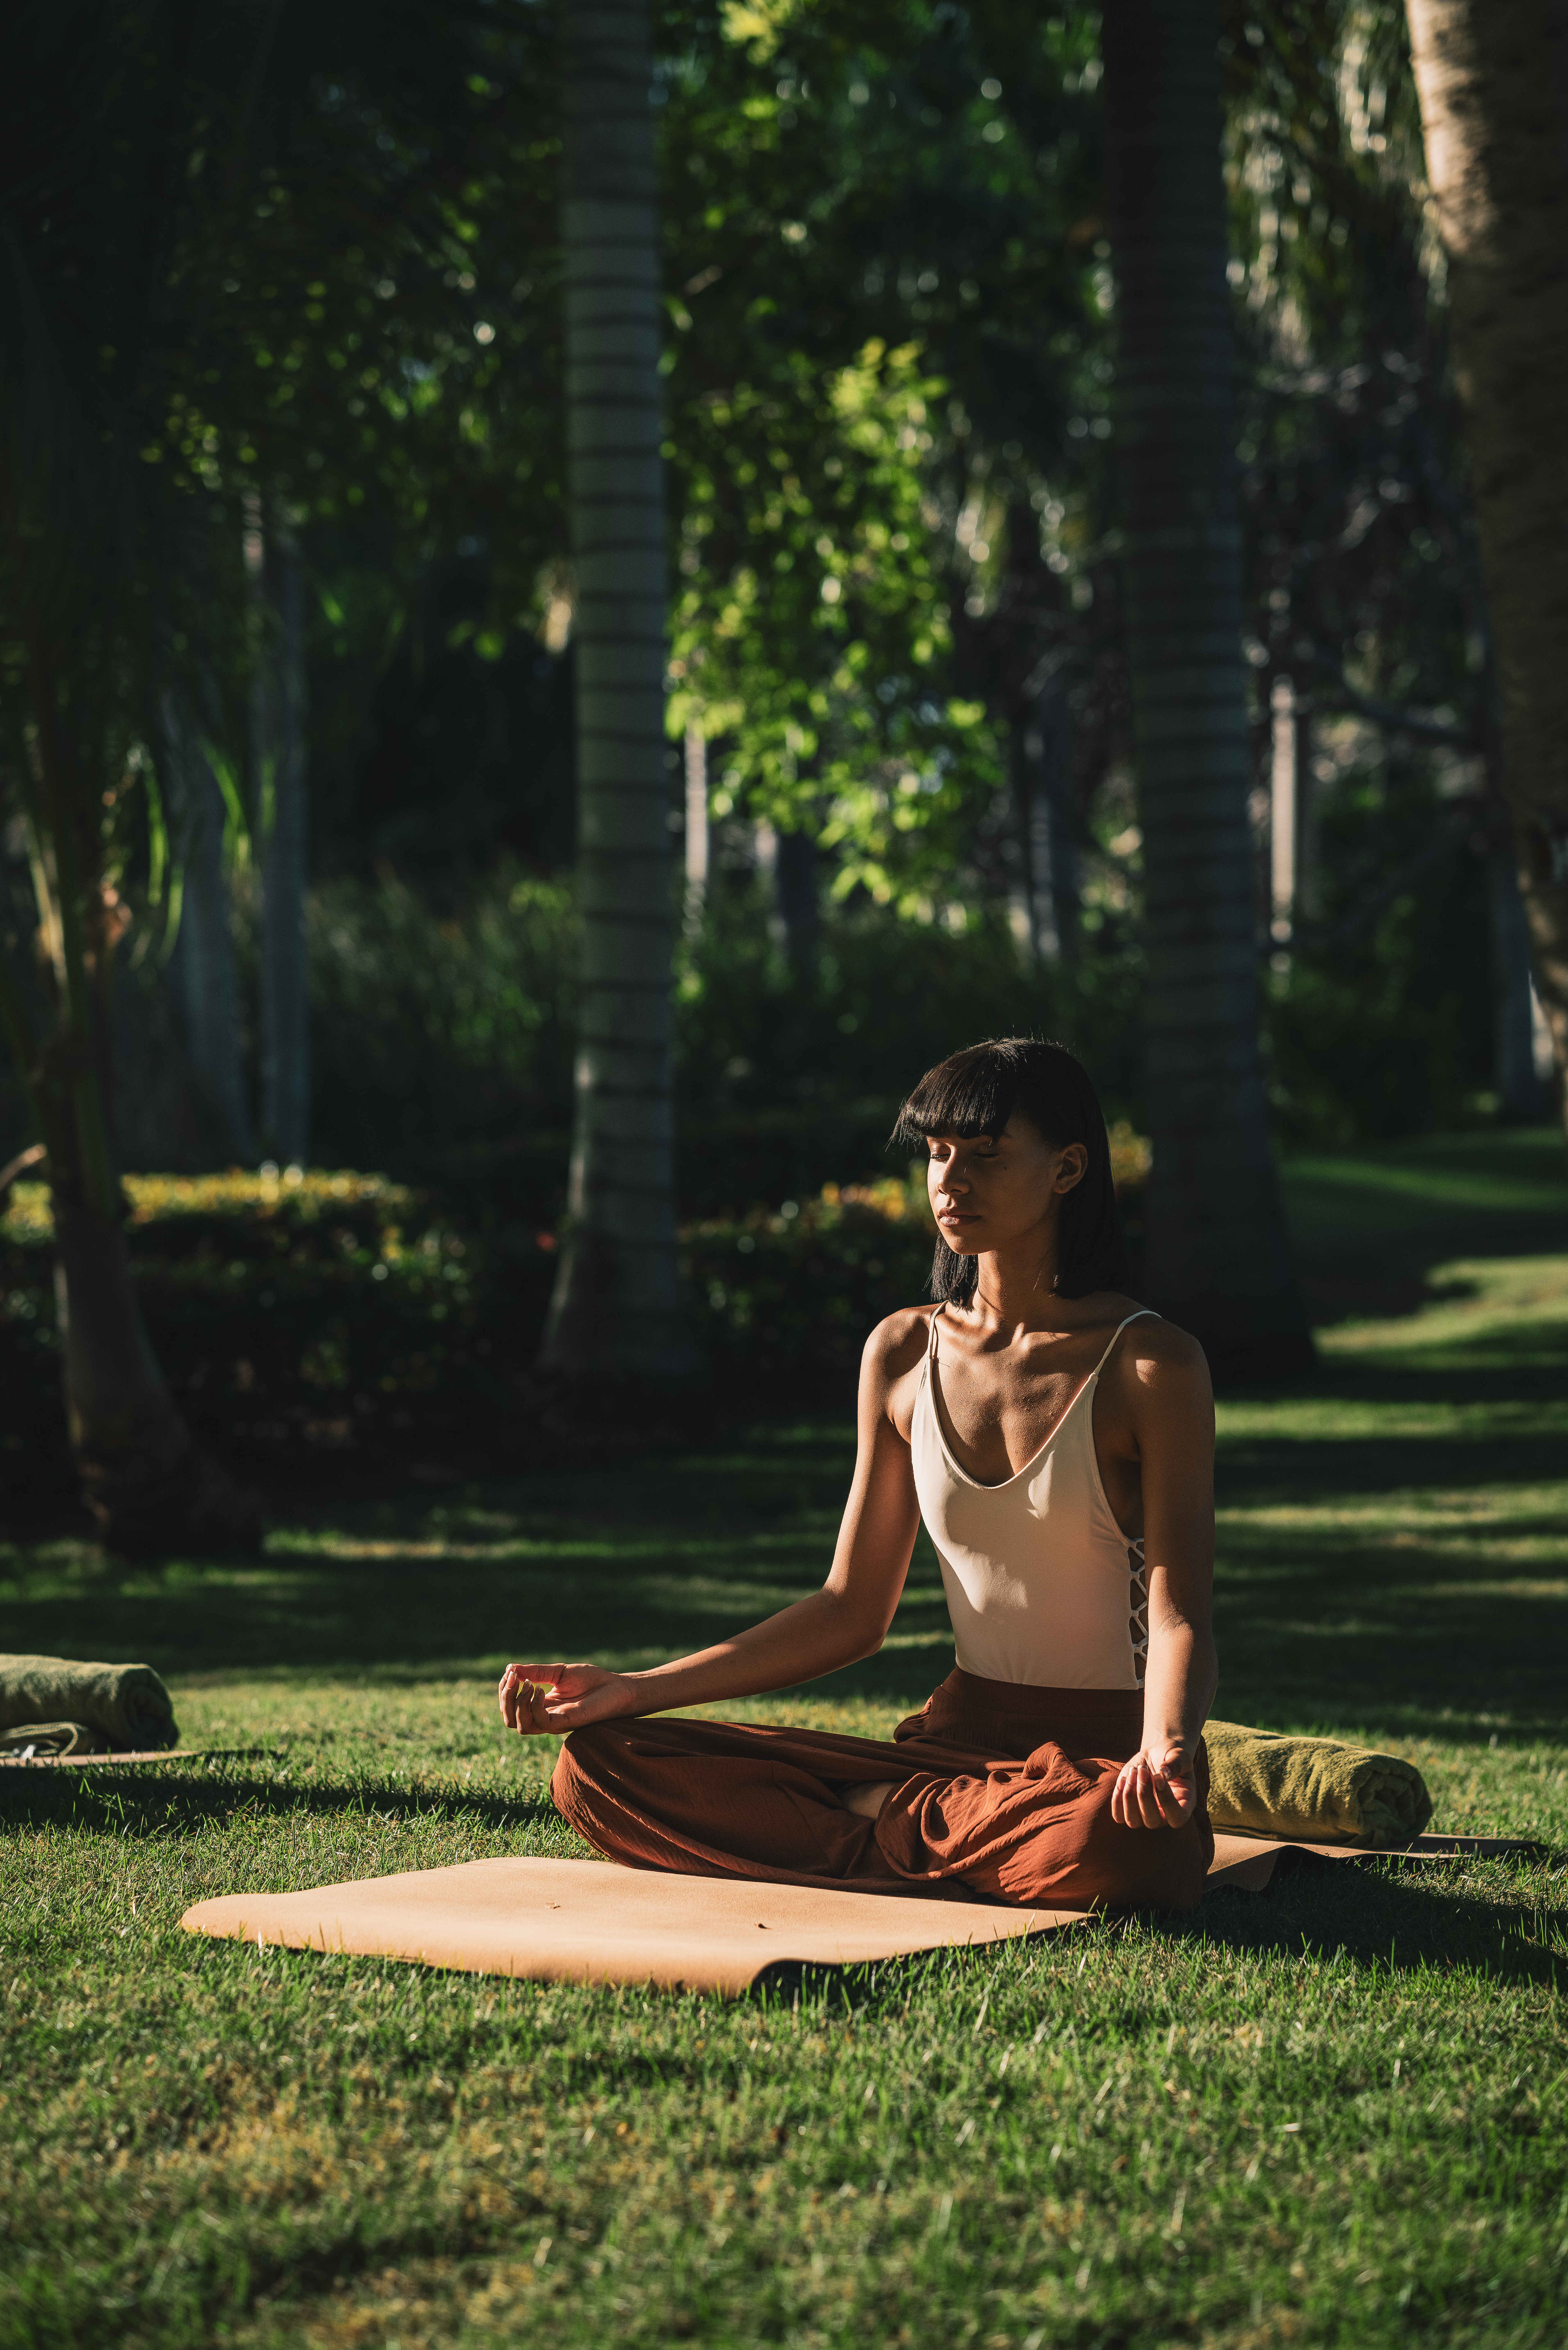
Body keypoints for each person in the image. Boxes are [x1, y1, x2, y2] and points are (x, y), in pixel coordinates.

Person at [499, 1037, 1218, 1911]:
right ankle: (908, 1824)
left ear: (1068, 1169)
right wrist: (635, 1690)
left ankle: (873, 1827)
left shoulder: (1150, 1365)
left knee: (1120, 1845)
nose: (951, 1181)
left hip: (1100, 1762)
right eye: (938, 1153)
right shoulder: (904, 1351)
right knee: (599, 1769)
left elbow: (1180, 1615)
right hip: (952, 1748)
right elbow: (850, 1610)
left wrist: (1167, 1747)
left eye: (987, 1155)